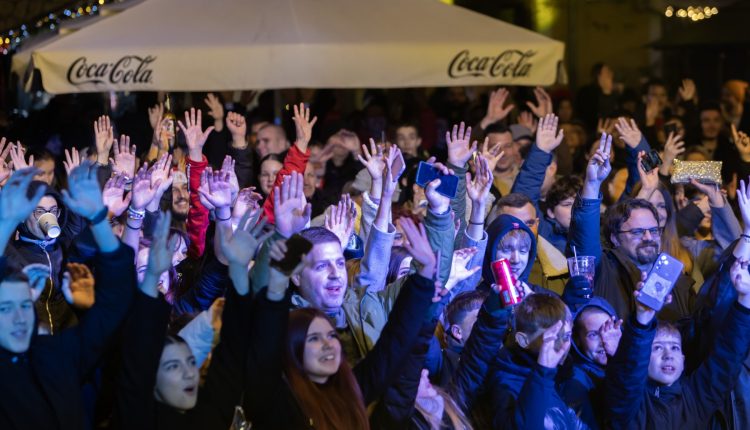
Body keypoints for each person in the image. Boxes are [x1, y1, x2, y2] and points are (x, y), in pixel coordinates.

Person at [243, 217, 440, 429]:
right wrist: (284, 236)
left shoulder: (350, 393)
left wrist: (426, 273)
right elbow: (263, 310)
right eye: (314, 338)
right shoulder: (276, 406)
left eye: (332, 335)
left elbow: (393, 345)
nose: (336, 274)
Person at [0, 165, 135, 430]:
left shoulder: (61, 356)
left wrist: (100, 218)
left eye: (25, 304)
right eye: (4, 308)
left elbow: (115, 301)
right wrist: (6, 223)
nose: (19, 317)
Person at [605, 260, 750, 430]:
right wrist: (643, 317)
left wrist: (746, 298)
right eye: (657, 348)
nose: (668, 356)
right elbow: (629, 375)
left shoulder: (696, 398)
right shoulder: (628, 405)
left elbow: (728, 355)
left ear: (683, 360)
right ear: (644, 358)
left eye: (674, 347)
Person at [568, 132, 695, 321]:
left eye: (654, 231)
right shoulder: (604, 270)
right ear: (615, 238)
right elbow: (584, 236)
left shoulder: (676, 279)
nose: (648, 238)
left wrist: (648, 189)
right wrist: (593, 184)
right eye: (637, 232)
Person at [487, 293, 583, 429]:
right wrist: (543, 372)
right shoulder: (505, 384)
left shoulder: (560, 375)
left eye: (566, 336)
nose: (562, 346)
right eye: (551, 338)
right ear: (523, 340)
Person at [559, 297, 622, 429]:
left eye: (608, 330)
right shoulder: (576, 382)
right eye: (593, 335)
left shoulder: (624, 370)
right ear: (577, 340)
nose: (604, 341)